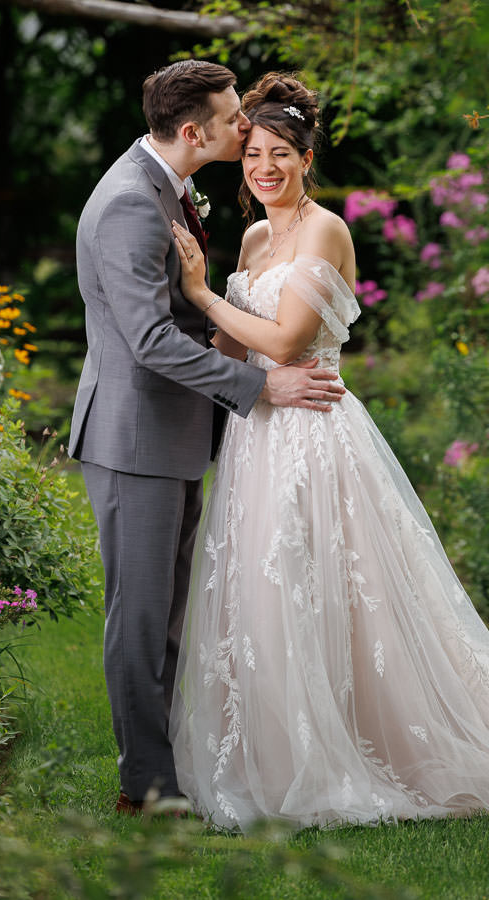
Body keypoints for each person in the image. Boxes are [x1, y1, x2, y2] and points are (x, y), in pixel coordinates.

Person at [169, 72, 489, 831]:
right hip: (258, 436)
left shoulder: (326, 229)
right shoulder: (257, 236)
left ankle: (411, 747)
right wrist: (196, 313)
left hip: (317, 437)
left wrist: (200, 295)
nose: (264, 168)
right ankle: (277, 755)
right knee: (267, 595)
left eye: (280, 155)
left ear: (305, 158)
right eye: (253, 154)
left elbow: (290, 339)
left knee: (338, 593)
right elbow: (239, 340)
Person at [68, 60, 344, 816]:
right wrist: (261, 385)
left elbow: (188, 318)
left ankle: (168, 769)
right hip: (135, 440)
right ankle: (148, 787)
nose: (245, 131)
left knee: (165, 615)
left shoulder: (167, 185)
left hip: (171, 434)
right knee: (140, 614)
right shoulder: (132, 201)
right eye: (233, 124)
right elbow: (152, 340)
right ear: (195, 132)